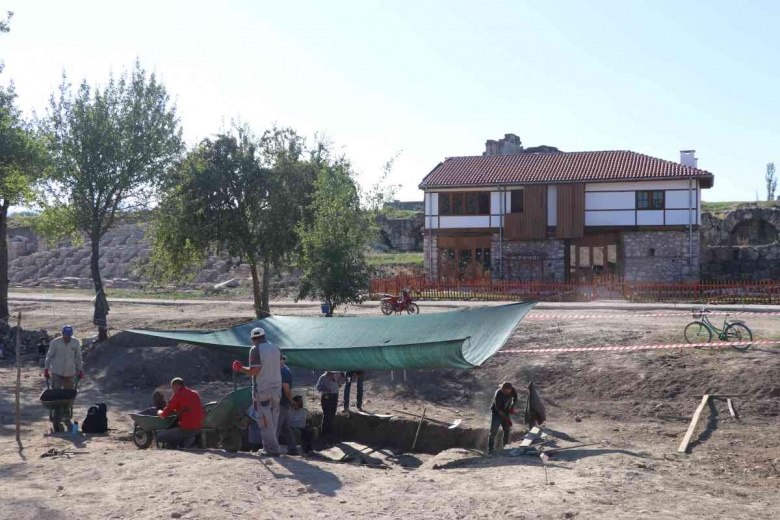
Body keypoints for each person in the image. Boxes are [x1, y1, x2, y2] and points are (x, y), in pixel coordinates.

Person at [233, 327, 282, 457]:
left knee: (264, 421)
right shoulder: (275, 348)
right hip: (276, 390)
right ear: (264, 336)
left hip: (263, 390)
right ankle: (269, 447)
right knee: (273, 421)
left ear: (253, 339)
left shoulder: (255, 350)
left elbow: (255, 371)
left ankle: (272, 449)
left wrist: (240, 368)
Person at [157, 377, 204, 448]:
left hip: (187, 429)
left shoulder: (178, 395)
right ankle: (186, 441)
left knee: (159, 437)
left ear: (177, 386)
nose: (173, 391)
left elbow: (164, 415)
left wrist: (159, 411)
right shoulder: (195, 393)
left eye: (173, 388)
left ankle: (187, 440)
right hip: (198, 428)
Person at [44, 325, 83, 390]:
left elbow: (78, 357)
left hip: (69, 371)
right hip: (56, 370)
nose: (67, 337)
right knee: (56, 391)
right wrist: (46, 369)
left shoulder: (75, 342)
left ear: (71, 334)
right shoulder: (55, 342)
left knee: (68, 392)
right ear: (62, 334)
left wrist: (80, 370)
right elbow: (49, 356)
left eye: (69, 336)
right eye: (65, 335)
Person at [276, 355, 299, 455]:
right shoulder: (280, 371)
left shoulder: (284, 372)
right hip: (282, 403)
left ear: (283, 360)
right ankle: (293, 449)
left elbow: (286, 389)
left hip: (282, 403)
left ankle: (273, 449)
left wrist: (291, 401)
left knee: (276, 428)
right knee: (286, 428)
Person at [487, 381, 518, 454]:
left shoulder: (513, 390)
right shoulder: (498, 393)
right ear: (502, 389)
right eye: (505, 392)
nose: (507, 394)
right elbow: (499, 410)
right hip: (497, 413)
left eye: (508, 392)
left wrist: (512, 407)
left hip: (506, 411)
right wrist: (507, 420)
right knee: (493, 432)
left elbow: (515, 398)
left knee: (507, 430)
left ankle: (505, 447)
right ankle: (490, 449)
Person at [316, 371, 341, 437]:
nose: (333, 373)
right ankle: (324, 432)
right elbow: (318, 387)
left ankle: (329, 431)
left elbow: (339, 386)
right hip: (326, 397)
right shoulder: (323, 377)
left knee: (332, 414)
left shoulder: (336, 376)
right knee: (327, 414)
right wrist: (325, 389)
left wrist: (337, 380)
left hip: (335, 396)